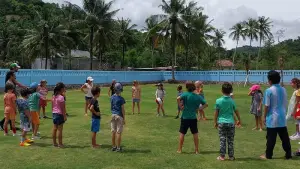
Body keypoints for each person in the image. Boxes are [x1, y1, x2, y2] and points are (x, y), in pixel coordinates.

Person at [260, 70, 292, 160]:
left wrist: (264, 117)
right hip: (282, 116)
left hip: (272, 117)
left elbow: (267, 105)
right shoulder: (284, 89)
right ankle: (288, 154)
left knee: (271, 138)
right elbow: (285, 102)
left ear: (270, 80)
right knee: (284, 138)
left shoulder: (269, 90)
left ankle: (268, 155)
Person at [176, 82, 208, 154]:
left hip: (185, 117)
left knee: (182, 133)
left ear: (187, 88)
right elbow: (206, 104)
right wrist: (199, 109)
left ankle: (180, 149)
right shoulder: (197, 96)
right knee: (195, 133)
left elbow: (178, 98)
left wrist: (180, 107)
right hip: (193, 118)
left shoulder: (185, 94)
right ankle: (196, 150)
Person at [214, 82, 241, 161]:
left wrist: (215, 122)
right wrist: (239, 120)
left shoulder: (218, 101)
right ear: (231, 91)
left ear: (222, 90)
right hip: (231, 123)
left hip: (221, 122)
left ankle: (222, 156)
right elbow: (236, 111)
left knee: (222, 139)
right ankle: (231, 156)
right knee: (230, 140)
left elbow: (216, 113)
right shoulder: (232, 101)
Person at [111, 82, 126, 152]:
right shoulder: (121, 99)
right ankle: (118, 147)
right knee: (118, 132)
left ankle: (113, 146)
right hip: (119, 116)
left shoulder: (112, 97)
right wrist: (124, 118)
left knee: (113, 132)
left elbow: (111, 107)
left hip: (113, 115)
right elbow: (123, 109)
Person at [52, 82, 67, 148]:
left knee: (55, 128)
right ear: (61, 89)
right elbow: (63, 108)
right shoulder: (61, 97)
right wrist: (64, 116)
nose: (64, 89)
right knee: (60, 130)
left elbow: (52, 106)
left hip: (54, 113)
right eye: (64, 88)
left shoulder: (53, 96)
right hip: (59, 114)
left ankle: (54, 143)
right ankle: (60, 144)